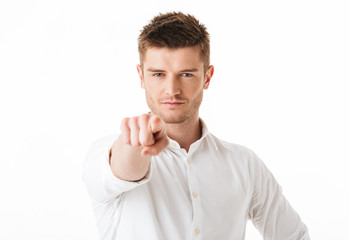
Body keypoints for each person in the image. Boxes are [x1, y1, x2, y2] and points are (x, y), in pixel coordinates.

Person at [83, 12, 310, 240]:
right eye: (159, 74)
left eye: (186, 74)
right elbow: (124, 170)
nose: (172, 89)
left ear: (207, 77)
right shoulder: (105, 154)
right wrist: (135, 144)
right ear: (141, 77)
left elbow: (293, 235)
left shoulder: (245, 165)